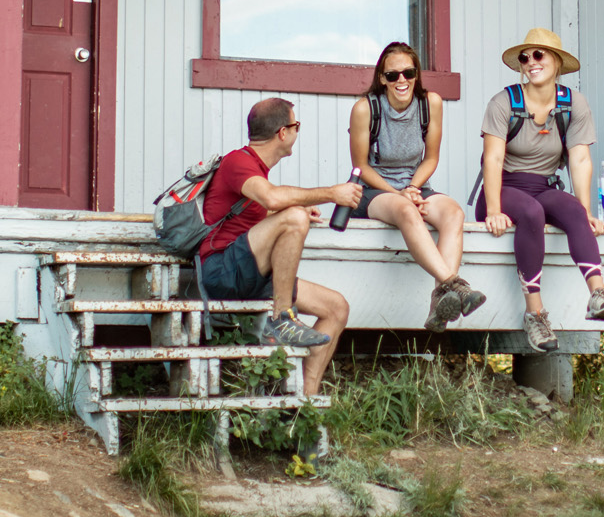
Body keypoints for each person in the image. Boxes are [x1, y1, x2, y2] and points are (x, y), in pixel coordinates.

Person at [197, 97, 360, 395]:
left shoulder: (256, 171)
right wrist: (331, 194)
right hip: (221, 269)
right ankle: (281, 319)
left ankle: (306, 399)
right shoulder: (238, 161)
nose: (298, 131)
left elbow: (258, 213)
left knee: (336, 308)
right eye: (296, 126)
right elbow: (271, 198)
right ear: (283, 132)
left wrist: (286, 214)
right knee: (295, 217)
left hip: (249, 271)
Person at [476, 27, 604, 354]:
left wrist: (585, 213)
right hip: (503, 190)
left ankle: (599, 293)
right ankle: (535, 313)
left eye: (538, 55)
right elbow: (493, 158)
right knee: (532, 213)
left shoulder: (573, 104)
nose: (531, 62)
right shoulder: (503, 103)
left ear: (556, 62)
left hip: (544, 186)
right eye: (525, 57)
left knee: (571, 210)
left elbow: (580, 158)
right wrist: (495, 209)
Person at [347, 42, 487, 331]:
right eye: (392, 75)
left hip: (415, 185)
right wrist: (398, 193)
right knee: (405, 211)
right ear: (381, 78)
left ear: (416, 75)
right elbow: (361, 166)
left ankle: (438, 305)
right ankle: (453, 285)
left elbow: (431, 157)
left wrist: (412, 187)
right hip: (374, 190)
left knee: (454, 213)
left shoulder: (430, 103)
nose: (401, 81)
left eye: (408, 73)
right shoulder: (365, 108)